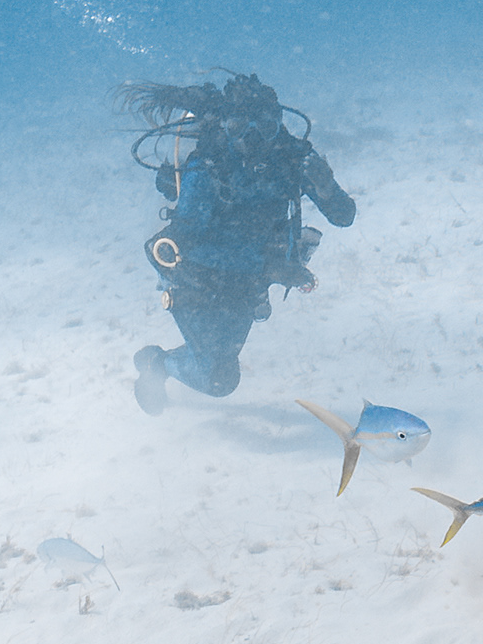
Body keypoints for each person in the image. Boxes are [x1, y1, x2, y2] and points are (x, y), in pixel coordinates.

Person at [127, 73, 355, 409]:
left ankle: (158, 363)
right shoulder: (210, 166)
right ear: (225, 126)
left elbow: (343, 216)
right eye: (238, 127)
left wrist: (325, 186)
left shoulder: (291, 159)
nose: (251, 137)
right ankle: (158, 365)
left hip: (247, 283)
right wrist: (269, 267)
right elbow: (184, 244)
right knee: (219, 379)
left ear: (278, 123)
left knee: (219, 367)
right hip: (193, 278)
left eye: (264, 125)